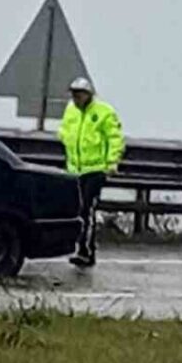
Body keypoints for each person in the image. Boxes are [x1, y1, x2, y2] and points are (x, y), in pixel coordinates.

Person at [58, 77, 125, 268]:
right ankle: (80, 248)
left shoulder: (103, 112)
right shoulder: (70, 111)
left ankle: (85, 251)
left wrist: (112, 162)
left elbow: (115, 138)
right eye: (73, 94)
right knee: (76, 210)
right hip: (74, 169)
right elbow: (65, 131)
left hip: (95, 169)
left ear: (88, 94)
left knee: (86, 209)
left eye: (79, 94)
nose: (75, 98)